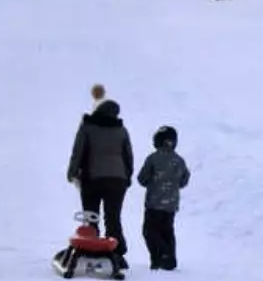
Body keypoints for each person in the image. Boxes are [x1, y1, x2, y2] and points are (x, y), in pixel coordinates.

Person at [67, 94, 134, 266]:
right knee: (113, 218)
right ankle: (117, 253)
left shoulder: (87, 127)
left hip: (92, 179)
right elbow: (128, 156)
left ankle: (89, 250)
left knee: (92, 216)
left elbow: (78, 152)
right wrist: (127, 176)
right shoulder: (121, 130)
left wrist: (72, 172)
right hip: (117, 180)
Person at [137, 125, 190, 271]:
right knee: (167, 230)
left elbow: (142, 178)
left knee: (149, 230)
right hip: (171, 204)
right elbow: (185, 180)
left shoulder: (153, 158)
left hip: (154, 203)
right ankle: (169, 258)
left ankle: (161, 256)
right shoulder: (179, 160)